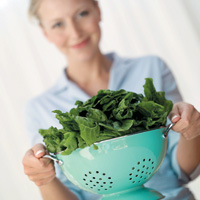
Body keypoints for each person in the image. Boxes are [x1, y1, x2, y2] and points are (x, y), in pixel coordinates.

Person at [22, 0, 200, 199]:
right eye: (58, 24)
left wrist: (191, 132)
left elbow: (185, 170)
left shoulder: (152, 68)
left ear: (97, 11)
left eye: (82, 14)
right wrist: (44, 179)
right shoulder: (38, 108)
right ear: (45, 32)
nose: (75, 32)